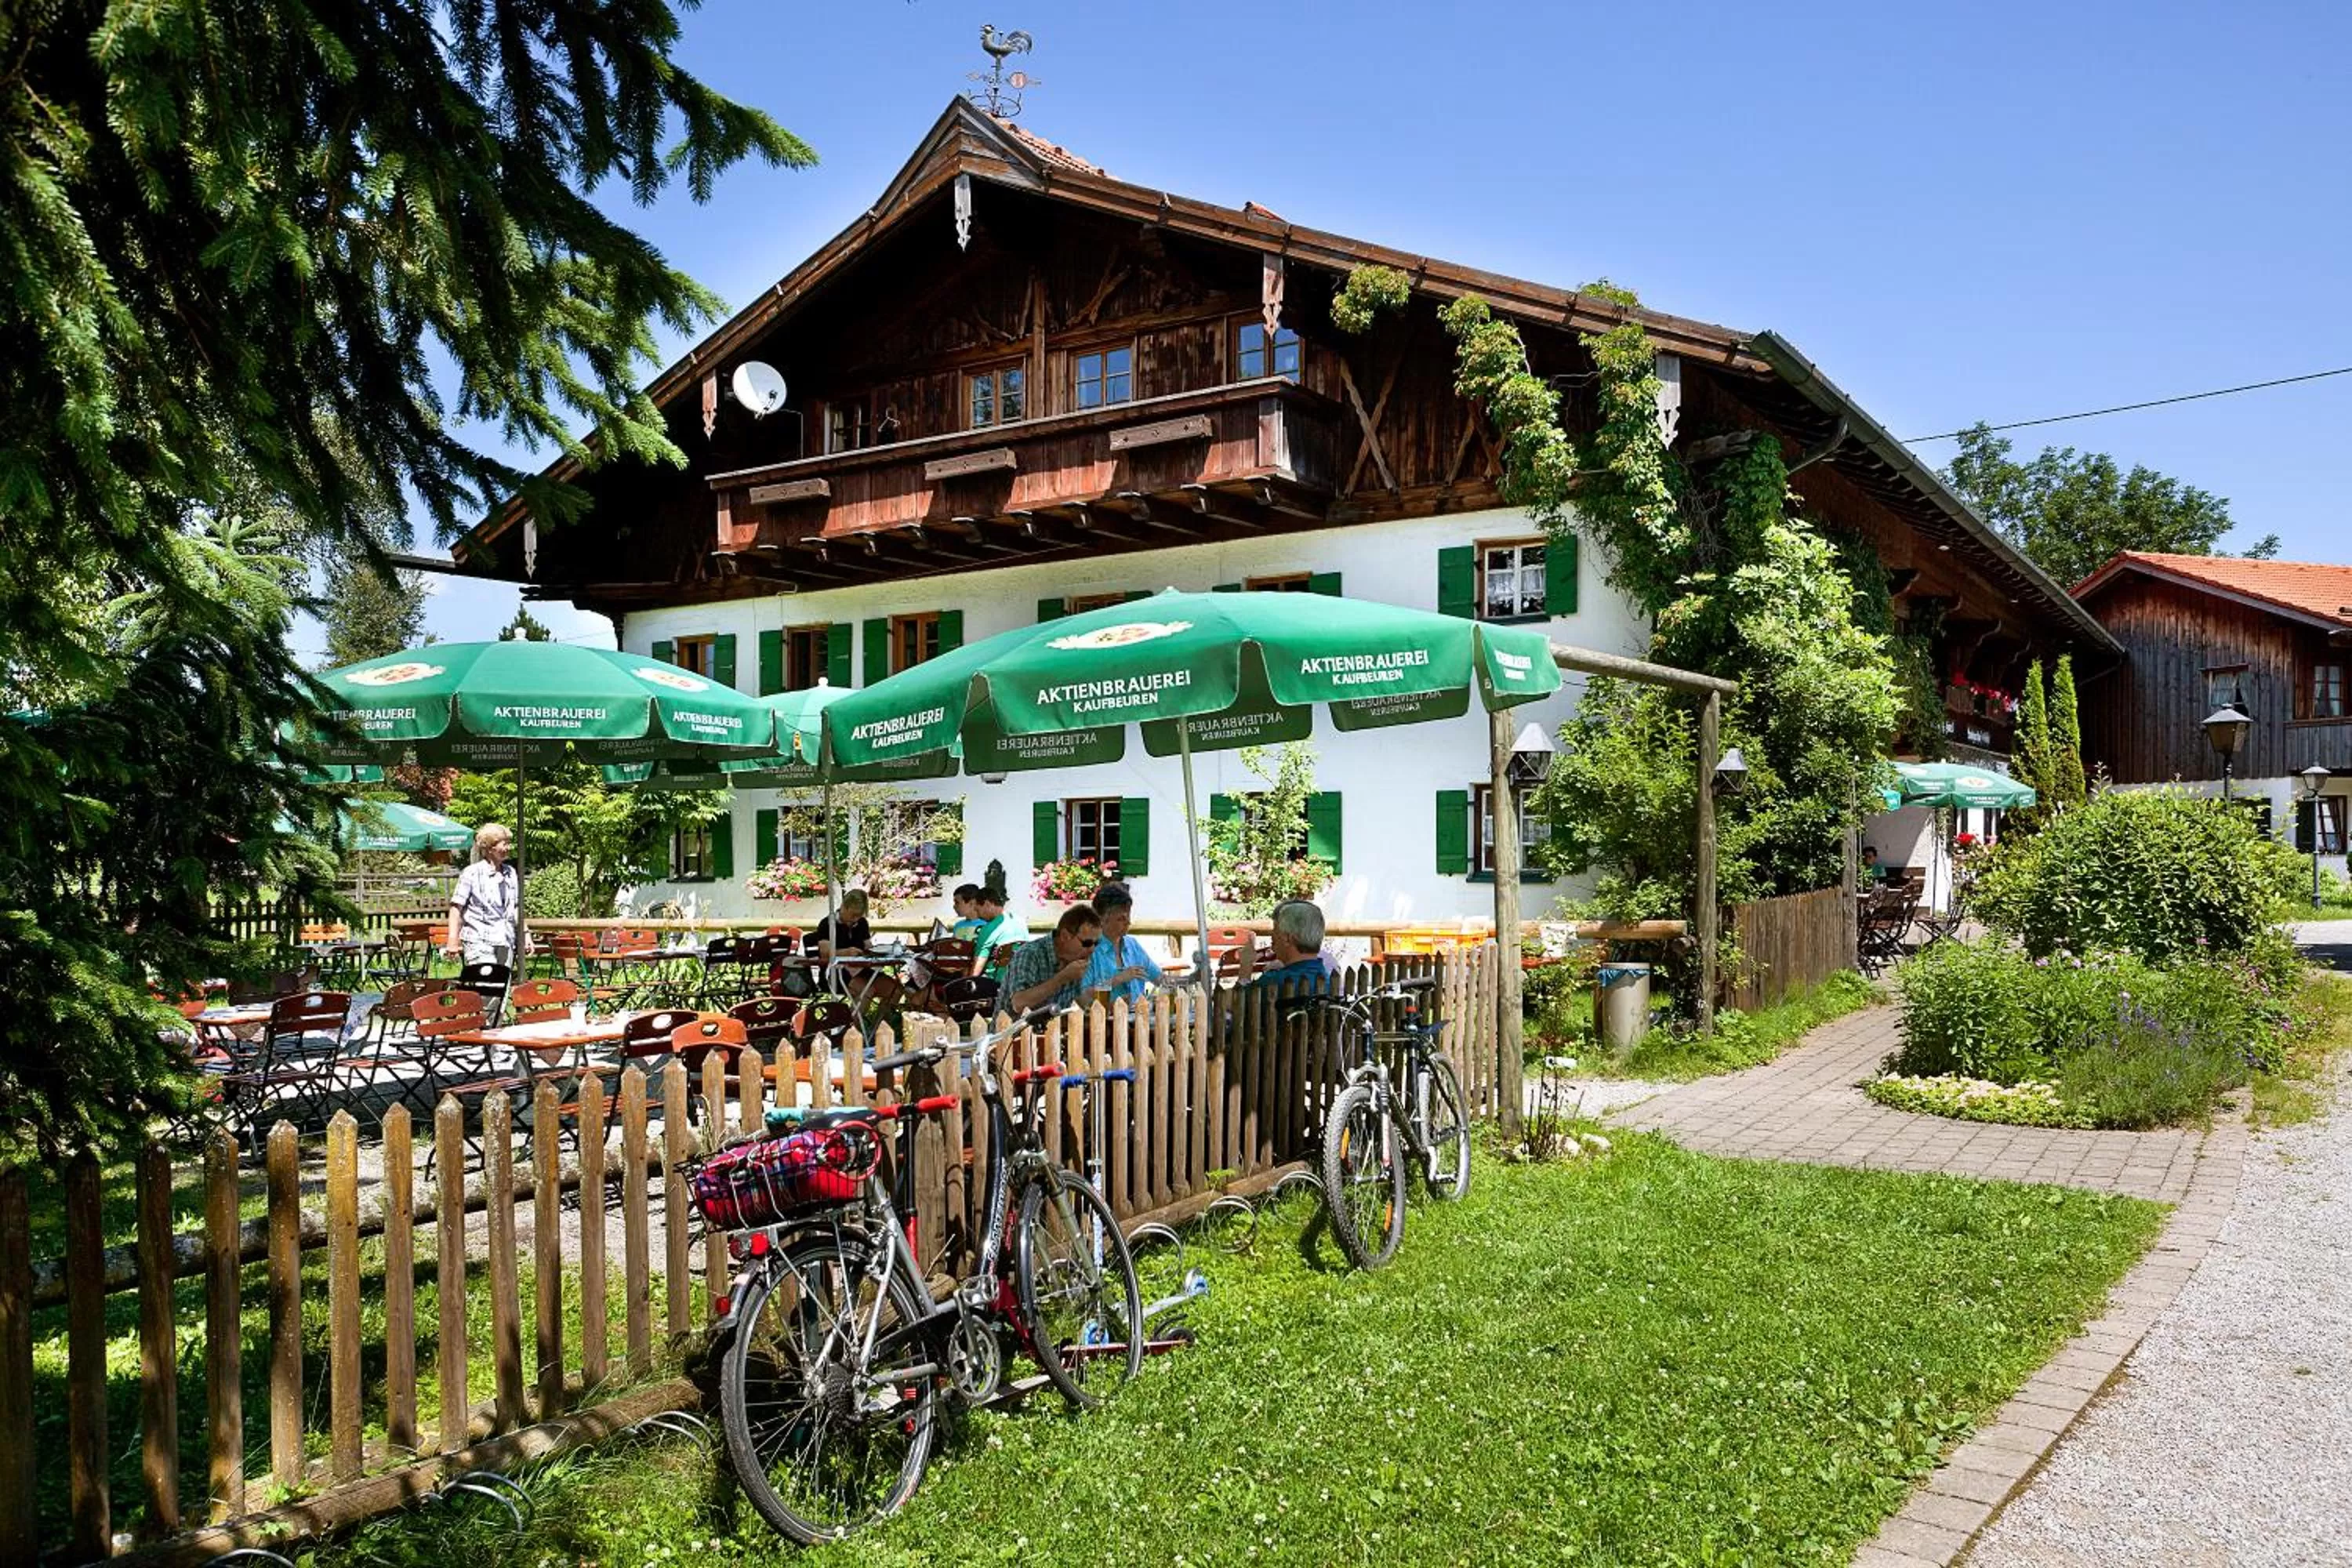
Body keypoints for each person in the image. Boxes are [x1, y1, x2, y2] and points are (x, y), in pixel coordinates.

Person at [445, 823, 521, 967]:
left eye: (509, 844)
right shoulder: (472, 873)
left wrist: (525, 934)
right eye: (504, 844)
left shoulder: (510, 873)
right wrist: (453, 939)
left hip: (506, 940)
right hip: (479, 940)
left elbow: (515, 907)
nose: (508, 848)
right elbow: (456, 908)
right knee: (486, 985)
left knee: (501, 987)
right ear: (491, 848)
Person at [1004, 905, 1102, 1014]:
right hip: (1018, 1029)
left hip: (1055, 1029)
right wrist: (1061, 978)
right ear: (1065, 936)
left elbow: (1077, 999)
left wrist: (1100, 1007)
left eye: (1096, 943)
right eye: (1087, 943)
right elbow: (1019, 1004)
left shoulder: (1074, 958)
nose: (1092, 949)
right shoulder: (1030, 953)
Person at [1079, 882, 1162, 1004]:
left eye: (1129, 916)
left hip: (1137, 1020)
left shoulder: (1132, 945)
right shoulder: (1089, 950)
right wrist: (1117, 980)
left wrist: (1193, 977)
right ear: (1101, 920)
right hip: (1103, 1022)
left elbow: (1161, 980)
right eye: (1121, 918)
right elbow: (1081, 996)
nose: (1129, 922)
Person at [1234, 899, 1335, 992]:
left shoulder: (1274, 981)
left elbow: (1236, 1003)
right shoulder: (1327, 978)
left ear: (1287, 939)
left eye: (1275, 930)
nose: (1272, 935)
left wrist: (1246, 965)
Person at [971, 886, 1029, 976]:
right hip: (1020, 976)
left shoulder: (988, 929)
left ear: (987, 904)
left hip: (995, 982)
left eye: (978, 910)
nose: (977, 915)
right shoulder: (1021, 922)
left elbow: (978, 965)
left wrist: (967, 983)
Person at [807, 888, 873, 962]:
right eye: (853, 915)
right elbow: (824, 953)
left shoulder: (862, 923)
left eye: (860, 915)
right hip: (835, 970)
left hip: (861, 968)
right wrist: (845, 953)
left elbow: (868, 946)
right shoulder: (827, 924)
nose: (856, 919)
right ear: (843, 907)